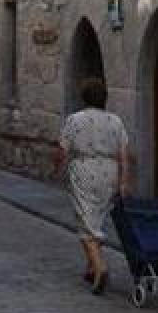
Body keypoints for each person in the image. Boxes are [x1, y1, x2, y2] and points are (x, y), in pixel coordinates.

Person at [53, 78, 130, 296]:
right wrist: (124, 181)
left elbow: (62, 149)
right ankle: (90, 267)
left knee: (85, 223)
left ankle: (100, 267)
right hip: (109, 172)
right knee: (96, 219)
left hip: (84, 170)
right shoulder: (116, 121)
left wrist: (57, 168)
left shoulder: (74, 120)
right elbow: (124, 155)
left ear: (84, 97)